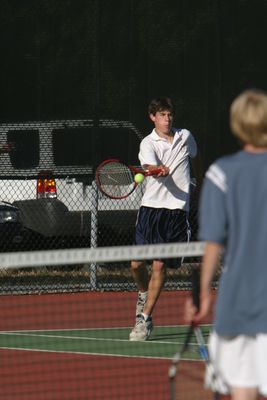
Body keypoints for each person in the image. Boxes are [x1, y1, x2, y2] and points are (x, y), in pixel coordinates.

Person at [185, 89, 267, 399]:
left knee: (242, 392)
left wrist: (203, 294)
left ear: (237, 125)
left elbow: (213, 243)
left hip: (237, 304)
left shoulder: (221, 174)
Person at [129, 96, 201, 341]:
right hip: (150, 209)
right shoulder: (148, 143)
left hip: (176, 211)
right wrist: (157, 170)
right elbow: (149, 165)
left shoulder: (185, 136)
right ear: (153, 117)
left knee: (159, 264)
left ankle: (144, 319)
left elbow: (195, 157)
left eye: (169, 114)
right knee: (137, 265)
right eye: (162, 115)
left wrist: (194, 182)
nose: (167, 119)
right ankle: (143, 293)